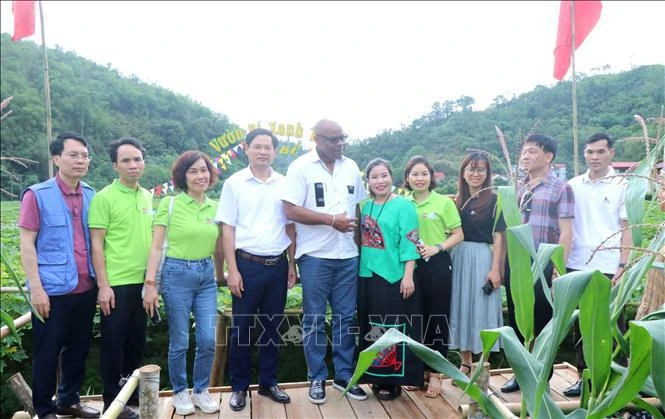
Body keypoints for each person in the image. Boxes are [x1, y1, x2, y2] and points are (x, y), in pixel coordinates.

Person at [281, 119, 368, 404]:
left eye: (343, 138)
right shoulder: (300, 167)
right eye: (334, 139)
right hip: (315, 257)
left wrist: (359, 246)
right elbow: (290, 210)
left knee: (346, 318)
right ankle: (317, 377)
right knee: (314, 320)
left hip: (348, 256)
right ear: (317, 139)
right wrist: (331, 220)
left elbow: (357, 208)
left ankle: (344, 375)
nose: (340, 143)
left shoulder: (352, 167)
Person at [19, 133, 100, 419]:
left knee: (78, 348)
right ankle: (44, 409)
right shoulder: (37, 195)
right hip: (52, 289)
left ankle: (69, 400)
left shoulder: (90, 194)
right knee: (47, 351)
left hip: (86, 285)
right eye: (73, 155)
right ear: (56, 159)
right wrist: (36, 289)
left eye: (84, 155)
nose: (80, 160)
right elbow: (27, 243)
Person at [216, 129, 297, 411]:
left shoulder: (285, 184)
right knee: (241, 330)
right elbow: (227, 228)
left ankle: (268, 382)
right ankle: (239, 387)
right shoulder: (234, 183)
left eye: (268, 147)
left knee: (273, 328)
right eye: (257, 146)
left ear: (275, 152)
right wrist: (232, 270)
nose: (263, 151)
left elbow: (290, 226)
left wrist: (292, 264)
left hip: (278, 266)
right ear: (246, 148)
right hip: (246, 265)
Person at [142, 151, 224, 414]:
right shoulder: (170, 203)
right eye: (193, 171)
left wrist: (223, 273)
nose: (200, 176)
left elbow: (220, 246)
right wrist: (151, 283)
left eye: (203, 170)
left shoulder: (215, 206)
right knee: (180, 339)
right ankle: (180, 392)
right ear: (182, 176)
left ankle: (200, 390)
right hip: (176, 274)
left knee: (208, 339)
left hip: (206, 276)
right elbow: (156, 248)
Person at [501, 134, 574, 393]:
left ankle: (541, 375)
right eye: (524, 152)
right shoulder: (515, 188)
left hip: (542, 261)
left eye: (532, 151)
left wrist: (558, 268)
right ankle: (520, 374)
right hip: (516, 261)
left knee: (542, 320)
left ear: (548, 156)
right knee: (518, 320)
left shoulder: (560, 188)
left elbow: (566, 231)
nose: (525, 156)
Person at [89, 137, 153, 418]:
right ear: (115, 165)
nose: (133, 165)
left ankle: (131, 394)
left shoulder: (148, 196)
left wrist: (153, 282)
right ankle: (112, 402)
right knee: (113, 345)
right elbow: (96, 245)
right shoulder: (104, 198)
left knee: (136, 342)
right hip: (116, 285)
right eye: (126, 160)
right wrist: (103, 286)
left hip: (143, 283)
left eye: (137, 159)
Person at [564, 133, 632, 396]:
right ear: (584, 153)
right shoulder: (573, 185)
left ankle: (617, 382)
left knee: (613, 325)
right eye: (590, 152)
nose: (594, 157)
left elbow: (628, 229)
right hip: (576, 264)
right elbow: (565, 227)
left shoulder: (623, 185)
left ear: (611, 153)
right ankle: (584, 377)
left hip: (608, 265)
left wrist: (623, 265)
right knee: (580, 325)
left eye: (600, 152)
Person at [358, 158, 423, 401]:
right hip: (367, 275)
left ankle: (393, 380)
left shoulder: (404, 206)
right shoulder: (366, 206)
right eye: (374, 177)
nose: (380, 181)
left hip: (393, 275)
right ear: (368, 181)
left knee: (392, 326)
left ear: (391, 177)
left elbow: (410, 241)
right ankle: (375, 375)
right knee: (372, 326)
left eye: (384, 175)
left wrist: (408, 275)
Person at [403, 156, 464, 397]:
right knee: (415, 319)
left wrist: (437, 247)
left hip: (437, 264)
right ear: (407, 178)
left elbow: (458, 234)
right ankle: (418, 373)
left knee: (438, 317)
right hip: (410, 266)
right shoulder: (403, 203)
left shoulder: (443, 203)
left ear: (431, 177)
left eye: (424, 174)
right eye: (415, 174)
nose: (420, 178)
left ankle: (437, 374)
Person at [450, 152, 505, 379]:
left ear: (487, 173)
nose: (475, 174)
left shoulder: (495, 200)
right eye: (471, 169)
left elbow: (500, 236)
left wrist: (495, 269)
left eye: (480, 170)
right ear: (463, 172)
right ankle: (464, 363)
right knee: (461, 307)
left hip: (483, 256)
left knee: (484, 309)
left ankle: (482, 365)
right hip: (459, 257)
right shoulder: (454, 201)